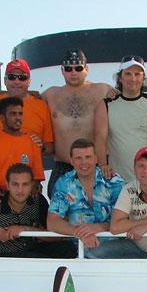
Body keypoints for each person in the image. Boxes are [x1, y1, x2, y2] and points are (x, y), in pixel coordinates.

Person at [0, 59, 53, 195]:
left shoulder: (42, 107)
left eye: (22, 77)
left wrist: (39, 146)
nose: (17, 81)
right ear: (5, 80)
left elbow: (50, 148)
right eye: (12, 77)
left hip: (30, 190)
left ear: (29, 81)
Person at [47, 139, 145, 259]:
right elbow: (52, 222)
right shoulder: (64, 183)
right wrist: (81, 233)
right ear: (71, 161)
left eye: (88, 157)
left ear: (96, 158)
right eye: (78, 158)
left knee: (94, 253)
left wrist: (99, 227)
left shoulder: (113, 181)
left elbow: (129, 219)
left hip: (116, 243)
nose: (84, 162)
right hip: (79, 247)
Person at [42, 49, 116, 196]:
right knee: (59, 208)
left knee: (100, 207)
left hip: (96, 165)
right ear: (62, 70)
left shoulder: (103, 91)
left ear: (86, 69)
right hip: (63, 166)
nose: (73, 72)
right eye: (68, 69)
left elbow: (134, 99)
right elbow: (23, 103)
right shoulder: (50, 95)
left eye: (78, 68)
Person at [0, 164, 70, 258]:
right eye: (15, 184)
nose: (20, 190)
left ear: (32, 185)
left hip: (32, 252)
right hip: (1, 257)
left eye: (25, 184)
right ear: (8, 185)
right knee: (33, 257)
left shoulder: (38, 201)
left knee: (67, 248)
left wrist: (25, 229)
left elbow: (53, 234)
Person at [94, 55, 147, 183]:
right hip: (117, 181)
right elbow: (100, 138)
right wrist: (103, 166)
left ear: (143, 78)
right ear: (120, 77)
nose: (133, 78)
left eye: (137, 74)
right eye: (128, 74)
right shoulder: (106, 105)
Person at [0, 96, 45, 203]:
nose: (18, 117)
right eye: (13, 114)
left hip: (25, 198)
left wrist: (33, 188)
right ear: (2, 118)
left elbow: (37, 175)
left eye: (20, 114)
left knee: (45, 209)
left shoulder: (32, 142)